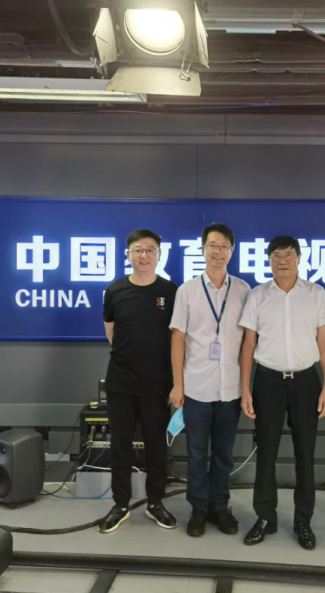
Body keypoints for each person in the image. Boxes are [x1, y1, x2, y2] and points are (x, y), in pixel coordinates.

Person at [239, 235, 325, 550]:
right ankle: (265, 517)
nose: (283, 261)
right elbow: (248, 344)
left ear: (299, 258)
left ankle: (303, 521)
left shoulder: (316, 294)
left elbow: (324, 342)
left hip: (307, 383)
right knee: (266, 453)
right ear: (269, 260)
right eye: (277, 255)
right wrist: (245, 389)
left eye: (289, 255)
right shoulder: (257, 296)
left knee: (305, 454)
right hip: (268, 382)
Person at [169, 223, 251, 537]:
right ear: (203, 250)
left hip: (230, 388)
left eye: (224, 246)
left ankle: (220, 506)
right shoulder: (187, 290)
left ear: (232, 251)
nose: (218, 251)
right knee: (196, 454)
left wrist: (246, 388)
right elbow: (178, 338)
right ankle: (199, 508)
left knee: (223, 454)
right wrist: (178, 384)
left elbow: (248, 343)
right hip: (196, 387)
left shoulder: (243, 290)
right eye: (212, 245)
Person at [99, 229, 178, 534]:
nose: (144, 255)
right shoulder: (115, 290)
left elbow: (176, 338)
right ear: (128, 254)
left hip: (157, 385)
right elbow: (111, 332)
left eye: (150, 250)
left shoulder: (170, 291)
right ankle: (120, 505)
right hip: (121, 383)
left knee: (156, 447)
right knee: (120, 446)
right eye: (138, 250)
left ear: (159, 254)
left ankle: (155, 503)